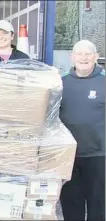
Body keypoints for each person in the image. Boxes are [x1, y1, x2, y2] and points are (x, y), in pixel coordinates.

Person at [59, 40, 105, 221]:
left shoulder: (104, 81)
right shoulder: (62, 83)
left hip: (99, 156)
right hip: (69, 156)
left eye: (88, 54)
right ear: (72, 57)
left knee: (98, 205)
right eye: (79, 54)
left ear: (96, 56)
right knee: (71, 205)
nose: (83, 58)